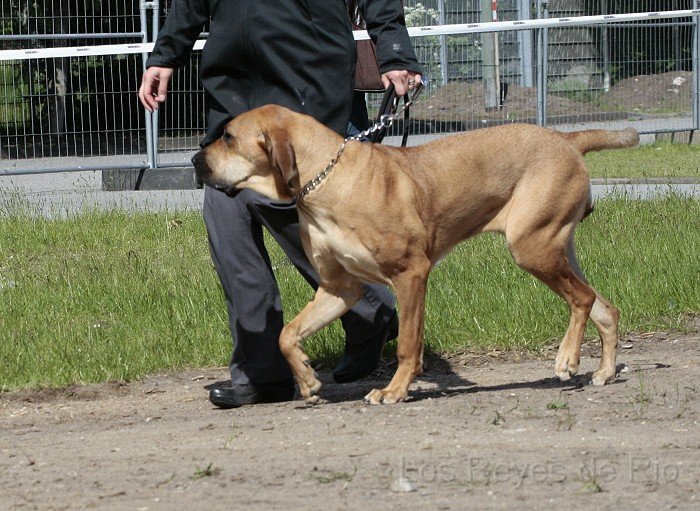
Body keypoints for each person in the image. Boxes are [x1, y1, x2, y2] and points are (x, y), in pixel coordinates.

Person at [139, 0, 422, 408]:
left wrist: (394, 52)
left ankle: (366, 308)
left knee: (294, 211)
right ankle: (261, 372)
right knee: (227, 214)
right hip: (234, 85)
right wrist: (165, 54)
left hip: (307, 77)